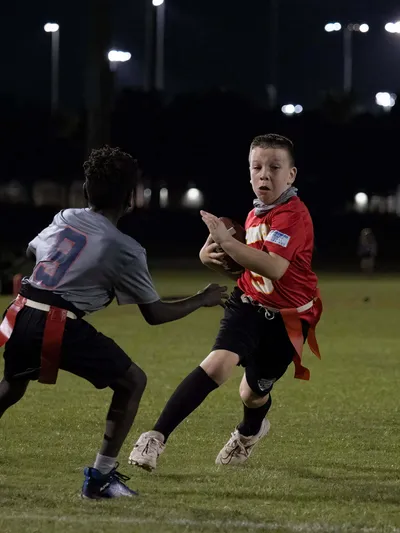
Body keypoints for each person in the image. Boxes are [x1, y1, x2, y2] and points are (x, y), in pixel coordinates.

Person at [0, 146, 227, 498]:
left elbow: (35, 253)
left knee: (12, 387)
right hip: (56, 320)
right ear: (131, 198)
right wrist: (202, 298)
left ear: (87, 191)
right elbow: (154, 315)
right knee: (132, 381)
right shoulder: (126, 249)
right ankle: (101, 478)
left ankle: (102, 478)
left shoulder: (64, 217)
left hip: (20, 310)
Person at [129, 134, 322, 470]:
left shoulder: (294, 215)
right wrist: (209, 256)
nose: (264, 174)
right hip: (248, 305)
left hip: (288, 321)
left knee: (252, 394)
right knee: (218, 364)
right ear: (248, 173)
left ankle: (249, 433)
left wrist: (224, 242)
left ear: (291, 175)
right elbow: (247, 270)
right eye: (257, 167)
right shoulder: (253, 215)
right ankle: (155, 438)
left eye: (275, 167)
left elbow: (275, 268)